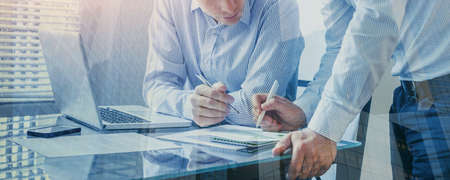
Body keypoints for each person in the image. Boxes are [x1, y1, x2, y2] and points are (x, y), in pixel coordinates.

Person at [252, 0, 450, 179]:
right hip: (409, 96)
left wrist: (324, 129)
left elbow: (376, 23)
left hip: (442, 95)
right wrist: (305, 112)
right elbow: (339, 49)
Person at [144, 0, 304, 127]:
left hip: (261, 154)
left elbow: (257, 109)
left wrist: (203, 108)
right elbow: (156, 86)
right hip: (192, 147)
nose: (230, 7)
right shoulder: (169, 4)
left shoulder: (281, 5)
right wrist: (189, 106)